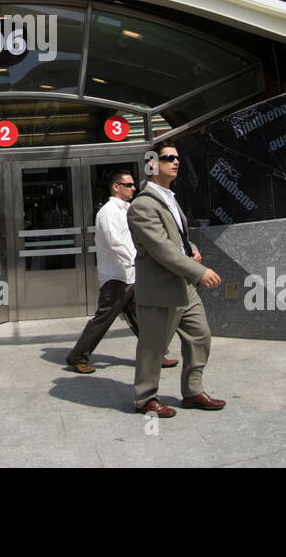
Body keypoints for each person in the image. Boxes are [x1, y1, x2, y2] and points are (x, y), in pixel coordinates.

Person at [127, 143, 224, 418]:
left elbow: (176, 238)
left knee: (200, 335)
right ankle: (145, 398)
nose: (176, 162)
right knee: (153, 347)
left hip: (183, 286)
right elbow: (161, 248)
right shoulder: (142, 205)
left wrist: (190, 247)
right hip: (160, 289)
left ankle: (192, 391)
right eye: (169, 158)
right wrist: (199, 271)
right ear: (152, 164)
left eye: (177, 158)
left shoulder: (169, 197)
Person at [66, 169, 179, 373]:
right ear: (115, 187)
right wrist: (135, 261)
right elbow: (114, 242)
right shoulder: (108, 212)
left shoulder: (127, 209)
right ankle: (77, 356)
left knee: (140, 319)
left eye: (133, 184)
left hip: (131, 274)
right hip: (116, 276)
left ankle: (156, 354)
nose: (133, 188)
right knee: (103, 319)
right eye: (128, 185)